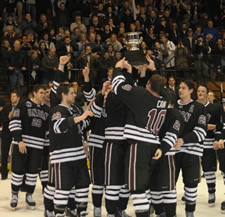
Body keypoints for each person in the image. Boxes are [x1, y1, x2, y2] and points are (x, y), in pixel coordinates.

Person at [112, 57, 169, 217]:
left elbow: (118, 87)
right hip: (152, 146)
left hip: (139, 145)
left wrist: (118, 68)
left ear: (149, 85)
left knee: (137, 188)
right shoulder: (165, 99)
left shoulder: (142, 94)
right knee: (141, 184)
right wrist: (153, 69)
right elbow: (162, 88)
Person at [49, 80, 93, 217]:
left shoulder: (75, 110)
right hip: (63, 157)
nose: (75, 95)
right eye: (72, 93)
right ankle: (59, 214)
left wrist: (88, 113)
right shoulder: (57, 110)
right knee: (63, 188)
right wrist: (82, 116)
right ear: (63, 94)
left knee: (83, 185)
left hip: (79, 156)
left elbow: (84, 125)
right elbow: (59, 127)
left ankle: (82, 212)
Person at [9, 84, 50, 210]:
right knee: (18, 171)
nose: (44, 95)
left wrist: (46, 147)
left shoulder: (47, 110)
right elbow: (14, 121)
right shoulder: (23, 104)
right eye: (41, 93)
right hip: (22, 144)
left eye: (45, 93)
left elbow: (48, 131)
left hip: (37, 146)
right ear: (34, 93)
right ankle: (14, 194)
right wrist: (19, 140)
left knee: (32, 172)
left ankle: (29, 195)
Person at [174, 80, 207, 217]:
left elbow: (201, 132)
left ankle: (190, 213)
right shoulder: (172, 106)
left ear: (191, 90)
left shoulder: (199, 108)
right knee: (169, 183)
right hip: (173, 152)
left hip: (192, 151)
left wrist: (183, 140)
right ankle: (167, 211)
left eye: (183, 88)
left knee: (191, 184)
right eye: (179, 87)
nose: (180, 90)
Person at [196, 85, 224, 206]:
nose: (200, 93)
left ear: (207, 94)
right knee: (197, 170)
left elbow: (220, 125)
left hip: (211, 142)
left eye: (203, 91)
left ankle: (212, 192)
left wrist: (217, 136)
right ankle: (190, 193)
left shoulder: (215, 108)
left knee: (210, 169)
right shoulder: (194, 107)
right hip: (195, 142)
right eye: (199, 91)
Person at [1, 91, 20, 180]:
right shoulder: (6, 108)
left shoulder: (21, 108)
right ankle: (4, 173)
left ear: (18, 98)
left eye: (14, 96)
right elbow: (1, 119)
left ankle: (18, 173)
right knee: (4, 154)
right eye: (11, 96)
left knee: (18, 155)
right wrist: (9, 117)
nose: (12, 98)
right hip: (6, 134)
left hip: (18, 134)